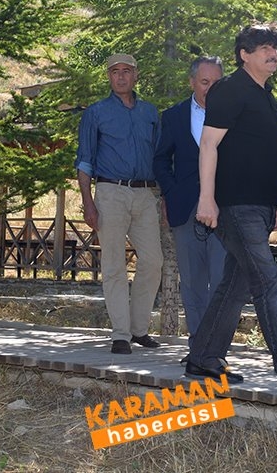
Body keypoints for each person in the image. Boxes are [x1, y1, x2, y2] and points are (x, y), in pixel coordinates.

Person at [186, 23, 277, 397]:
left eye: (274, 47)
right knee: (266, 281)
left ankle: (203, 358)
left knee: (236, 284)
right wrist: (206, 199)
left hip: (260, 207)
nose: (272, 54)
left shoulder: (266, 97)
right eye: (263, 48)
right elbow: (208, 145)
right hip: (235, 204)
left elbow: (267, 153)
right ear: (244, 55)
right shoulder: (230, 89)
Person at [75, 53, 163, 355]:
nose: (121, 76)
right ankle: (121, 335)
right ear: (109, 76)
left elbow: (160, 157)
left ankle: (139, 329)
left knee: (153, 261)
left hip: (146, 193)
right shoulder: (96, 113)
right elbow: (85, 160)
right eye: (115, 71)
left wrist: (163, 197)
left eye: (127, 71)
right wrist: (88, 202)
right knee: (114, 264)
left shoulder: (149, 112)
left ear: (136, 75)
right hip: (110, 191)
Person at [153, 56, 227, 349]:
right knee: (192, 281)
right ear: (192, 82)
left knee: (221, 279)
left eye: (216, 83)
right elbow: (160, 160)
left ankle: (217, 347)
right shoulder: (174, 116)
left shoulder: (234, 114)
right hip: (185, 208)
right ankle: (198, 345)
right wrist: (171, 193)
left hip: (224, 208)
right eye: (205, 82)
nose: (210, 88)